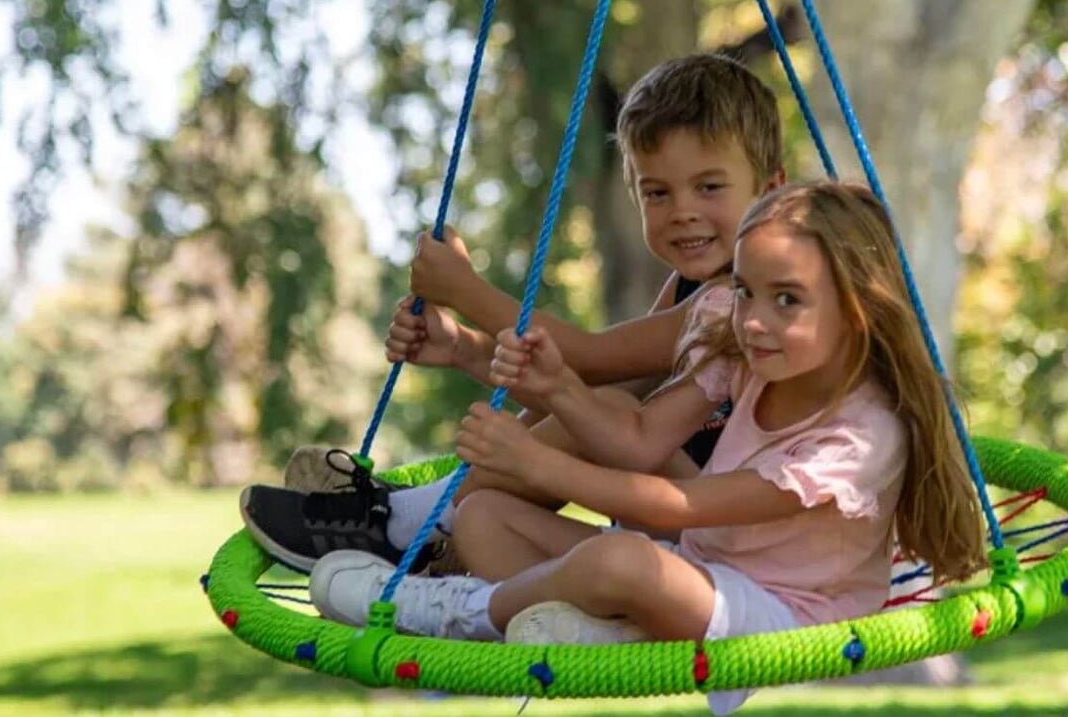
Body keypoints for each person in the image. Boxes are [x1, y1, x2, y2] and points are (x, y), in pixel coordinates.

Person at [307, 181, 987, 714]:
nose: (753, 318)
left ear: (858, 306)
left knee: (623, 561)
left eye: (787, 299)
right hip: (702, 569)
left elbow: (682, 501)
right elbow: (637, 438)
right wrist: (560, 390)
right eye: (745, 289)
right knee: (486, 517)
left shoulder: (862, 434)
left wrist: (536, 462)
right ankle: (604, 630)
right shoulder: (744, 347)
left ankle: (449, 611)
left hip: (784, 616)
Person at [240, 52, 785, 572]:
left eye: (709, 187)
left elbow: (591, 362)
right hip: (673, 523)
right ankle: (429, 526)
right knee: (518, 482)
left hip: (720, 525)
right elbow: (574, 388)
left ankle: (401, 527)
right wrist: (463, 348)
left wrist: (465, 291)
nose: (683, 212)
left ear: (771, 189)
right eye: (658, 193)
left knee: (604, 405)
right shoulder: (692, 285)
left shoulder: (737, 300)